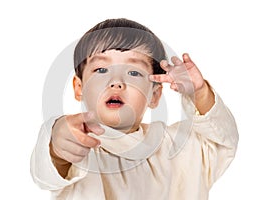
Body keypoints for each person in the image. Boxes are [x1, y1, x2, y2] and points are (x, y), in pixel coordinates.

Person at [30, 18, 238, 200]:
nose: (116, 82)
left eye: (133, 72)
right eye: (101, 69)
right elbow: (47, 170)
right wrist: (59, 147)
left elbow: (221, 140)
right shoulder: (78, 142)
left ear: (155, 95)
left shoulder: (175, 147)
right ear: (79, 88)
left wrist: (200, 93)